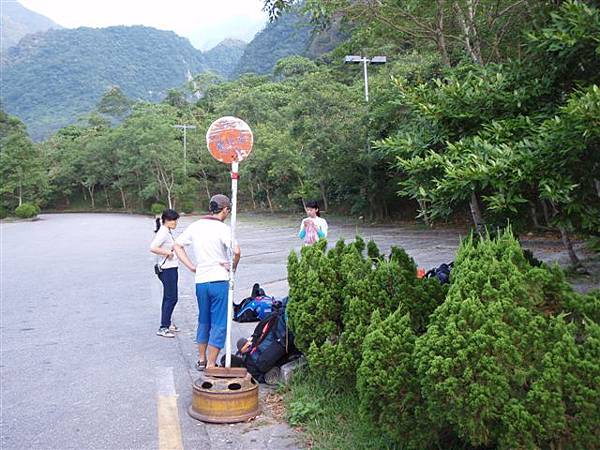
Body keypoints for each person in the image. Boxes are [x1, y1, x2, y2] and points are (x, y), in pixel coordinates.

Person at [173, 194, 241, 371]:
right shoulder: (223, 229)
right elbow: (237, 251)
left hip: (201, 281)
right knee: (220, 321)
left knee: (204, 320)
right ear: (225, 210)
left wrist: (192, 266)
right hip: (219, 280)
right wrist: (232, 267)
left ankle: (202, 360)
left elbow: (177, 246)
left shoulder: (195, 226)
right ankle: (212, 364)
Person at [150, 208, 180, 338]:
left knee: (168, 297)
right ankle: (163, 327)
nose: (175, 222)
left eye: (176, 220)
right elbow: (153, 247)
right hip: (167, 269)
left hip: (170, 268)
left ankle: (166, 323)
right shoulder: (163, 232)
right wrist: (168, 252)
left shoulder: (166, 231)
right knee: (171, 298)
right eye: (173, 220)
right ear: (166, 220)